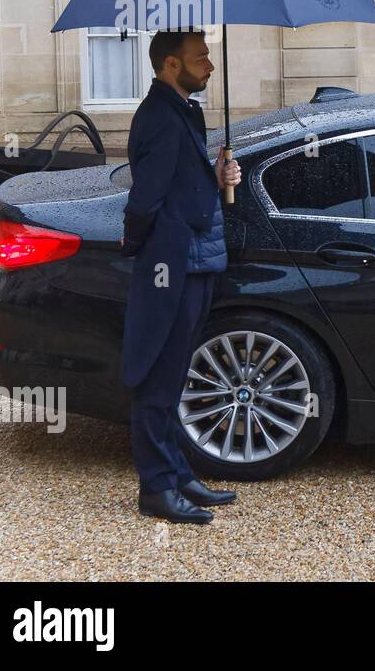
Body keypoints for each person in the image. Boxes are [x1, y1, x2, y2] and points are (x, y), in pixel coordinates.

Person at [121, 28, 242, 524]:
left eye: (209, 56)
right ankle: (155, 486)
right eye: (200, 58)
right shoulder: (159, 118)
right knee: (156, 374)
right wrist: (140, 248)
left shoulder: (183, 112)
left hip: (196, 260)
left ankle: (177, 473)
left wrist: (215, 179)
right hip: (172, 265)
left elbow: (180, 186)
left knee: (174, 376)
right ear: (171, 65)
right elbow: (145, 200)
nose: (209, 65)